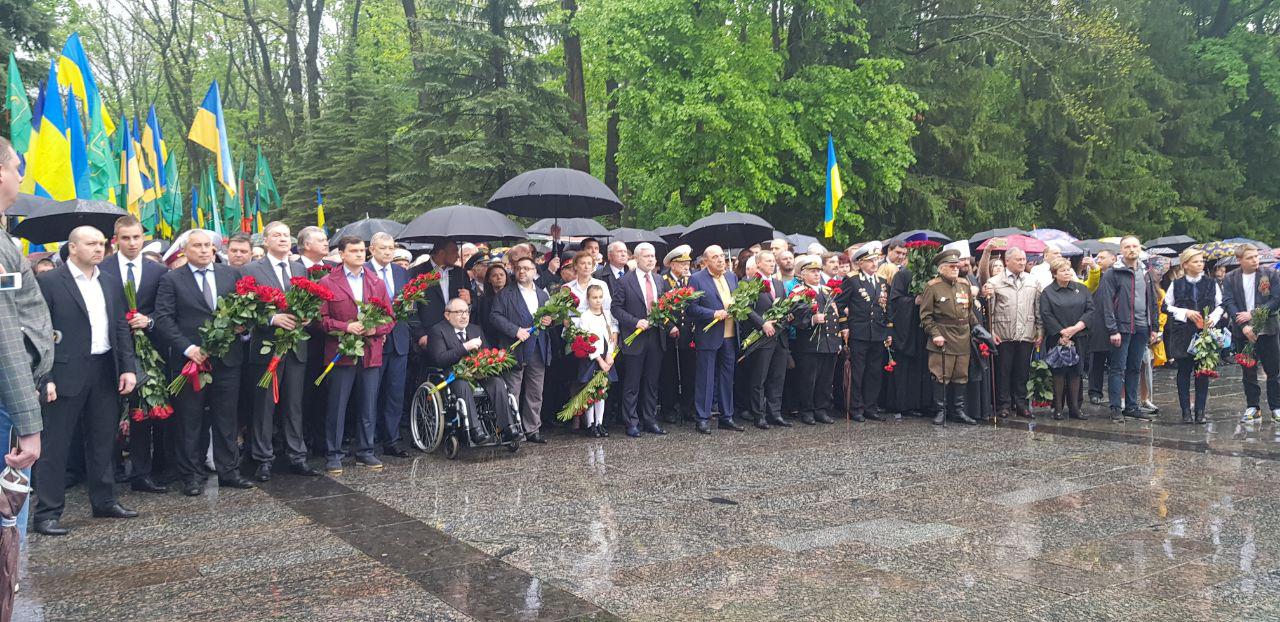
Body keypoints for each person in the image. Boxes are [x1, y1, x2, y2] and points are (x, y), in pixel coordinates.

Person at [31, 226, 139, 536]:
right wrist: (45, 376)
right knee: (56, 445)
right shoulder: (50, 282)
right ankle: (48, 512)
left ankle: (104, 500)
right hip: (64, 372)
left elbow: (120, 326)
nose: (98, 249)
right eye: (91, 243)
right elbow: (39, 332)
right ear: (73, 247)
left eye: (102, 244)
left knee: (103, 440)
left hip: (105, 368)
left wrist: (127, 367)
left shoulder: (110, 280)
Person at [152, 229, 256, 496]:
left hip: (227, 358)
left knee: (226, 417)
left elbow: (244, 310)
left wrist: (243, 326)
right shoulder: (172, 279)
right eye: (197, 245)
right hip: (191, 360)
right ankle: (191, 475)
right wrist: (188, 349)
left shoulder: (230, 274)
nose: (203, 250)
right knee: (191, 419)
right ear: (185, 250)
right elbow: (164, 319)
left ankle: (229, 470)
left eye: (207, 245)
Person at [238, 222, 321, 480]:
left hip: (295, 347)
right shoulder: (250, 270)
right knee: (264, 406)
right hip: (267, 348)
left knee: (294, 405)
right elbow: (245, 310)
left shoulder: (299, 269)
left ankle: (297, 456)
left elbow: (308, 303)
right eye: (277, 235)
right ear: (265, 241)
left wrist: (308, 317)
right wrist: (272, 319)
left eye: (286, 235)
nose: (283, 239)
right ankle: (263, 458)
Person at [0, 137, 53, 540]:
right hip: (5, 404)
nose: (21, 177)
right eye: (16, 167)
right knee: (7, 524)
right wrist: (29, 426)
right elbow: (5, 336)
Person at [99, 215, 171, 493]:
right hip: (110, 351)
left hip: (147, 350)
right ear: (115, 240)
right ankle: (110, 471)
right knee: (107, 414)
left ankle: (142, 473)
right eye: (125, 238)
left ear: (143, 238)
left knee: (142, 413)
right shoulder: (102, 268)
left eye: (136, 237)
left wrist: (148, 321)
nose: (131, 243)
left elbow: (165, 311)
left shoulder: (158, 271)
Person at [318, 236, 393, 474]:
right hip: (341, 352)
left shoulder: (376, 282)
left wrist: (375, 329)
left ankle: (365, 451)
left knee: (368, 404)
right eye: (353, 251)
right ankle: (333, 454)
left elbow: (390, 318)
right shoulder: (328, 282)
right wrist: (345, 327)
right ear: (341, 254)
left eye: (362, 250)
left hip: (370, 352)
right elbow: (320, 320)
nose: (360, 254)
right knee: (337, 405)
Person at [426, 298, 517, 444]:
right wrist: (465, 347)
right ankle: (475, 430)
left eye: (466, 312)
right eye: (459, 312)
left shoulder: (475, 329)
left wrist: (494, 359)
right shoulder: (437, 330)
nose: (464, 316)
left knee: (497, 382)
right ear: (447, 315)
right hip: (453, 374)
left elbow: (486, 354)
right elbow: (440, 359)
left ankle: (508, 427)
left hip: (477, 372)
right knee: (463, 385)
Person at [488, 256, 553, 444]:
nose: (522, 271)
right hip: (514, 348)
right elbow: (495, 317)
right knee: (513, 391)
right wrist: (515, 330)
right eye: (518, 268)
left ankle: (532, 428)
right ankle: (513, 429)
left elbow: (549, 318)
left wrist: (549, 320)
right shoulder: (505, 294)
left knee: (535, 391)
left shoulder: (543, 295)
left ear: (535, 271)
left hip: (538, 348)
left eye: (526, 268)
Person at [1099, 235, 1160, 422]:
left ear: (1140, 248)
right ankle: (1116, 407)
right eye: (1127, 247)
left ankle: (1132, 406)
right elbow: (1106, 303)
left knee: (1134, 367)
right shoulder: (1113, 273)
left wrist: (1154, 327)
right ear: (1121, 250)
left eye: (1135, 246)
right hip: (1122, 327)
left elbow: (1153, 301)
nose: (1132, 249)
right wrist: (1112, 329)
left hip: (1142, 327)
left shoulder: (1146, 272)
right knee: (1118, 368)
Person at [611, 243, 669, 437]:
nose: (651, 259)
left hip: (656, 336)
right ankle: (631, 422)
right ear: (635, 259)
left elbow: (665, 305)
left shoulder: (659, 280)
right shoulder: (624, 281)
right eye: (646, 256)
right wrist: (635, 322)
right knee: (632, 383)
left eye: (653, 256)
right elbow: (616, 309)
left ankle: (650, 419)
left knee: (652, 382)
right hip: (635, 337)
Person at [687, 245, 745, 434]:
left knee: (727, 378)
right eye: (715, 257)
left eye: (722, 256)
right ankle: (703, 418)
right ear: (706, 261)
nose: (720, 260)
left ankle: (727, 416)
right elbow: (691, 308)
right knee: (705, 378)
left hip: (730, 335)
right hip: (709, 335)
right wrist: (713, 314)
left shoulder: (731, 277)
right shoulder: (696, 279)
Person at [1221, 243, 1280, 423]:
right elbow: (1229, 302)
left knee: (1273, 370)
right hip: (1243, 332)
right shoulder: (1230, 278)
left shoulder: (1270, 274)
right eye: (1250, 257)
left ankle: (1276, 407)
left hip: (1268, 330)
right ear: (1239, 260)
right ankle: (1253, 407)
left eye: (1256, 256)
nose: (1255, 260)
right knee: (1248, 370)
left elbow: (1275, 300)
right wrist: (1244, 326)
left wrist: (1253, 314)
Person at [919, 250, 979, 426]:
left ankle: (958, 410)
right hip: (943, 335)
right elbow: (926, 316)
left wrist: (978, 329)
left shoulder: (964, 285)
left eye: (956, 266)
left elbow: (969, 312)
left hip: (963, 336)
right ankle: (941, 410)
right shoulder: (933, 286)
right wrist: (935, 334)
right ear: (941, 268)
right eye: (951, 267)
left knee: (961, 375)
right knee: (940, 375)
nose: (955, 269)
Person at [1163, 248, 1222, 424]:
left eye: (1201, 261)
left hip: (1205, 332)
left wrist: (1213, 317)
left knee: (1202, 372)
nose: (1200, 264)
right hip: (1183, 333)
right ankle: (1185, 411)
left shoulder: (1211, 283)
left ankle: (1200, 411)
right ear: (1185, 264)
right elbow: (1166, 306)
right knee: (1184, 371)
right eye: (1196, 261)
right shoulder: (1177, 284)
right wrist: (1185, 312)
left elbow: (1221, 304)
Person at [367, 232, 412, 457]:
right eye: (383, 248)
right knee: (371, 393)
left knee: (395, 393)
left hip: (399, 340)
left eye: (391, 248)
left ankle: (391, 440)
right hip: (374, 340)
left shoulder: (401, 272)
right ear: (372, 249)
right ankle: (368, 441)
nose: (388, 252)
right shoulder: (363, 271)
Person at [985, 246, 1042, 419]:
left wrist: (1040, 330)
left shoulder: (1033, 281)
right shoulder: (995, 282)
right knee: (1003, 371)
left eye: (1023, 259)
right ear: (1007, 261)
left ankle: (1021, 404)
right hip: (1003, 332)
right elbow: (990, 311)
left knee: (1022, 371)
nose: (1022, 262)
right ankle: (1003, 405)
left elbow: (1038, 308)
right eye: (1018, 259)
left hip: (1026, 331)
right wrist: (991, 331)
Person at [1039, 258, 1093, 421]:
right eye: (1063, 270)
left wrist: (1076, 328)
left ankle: (1075, 408)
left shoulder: (1081, 289)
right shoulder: (1048, 292)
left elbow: (1090, 310)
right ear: (1054, 274)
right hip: (1058, 337)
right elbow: (1046, 314)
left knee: (1076, 372)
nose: (1067, 272)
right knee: (1059, 372)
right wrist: (1062, 332)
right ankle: (1058, 408)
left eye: (1069, 269)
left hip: (1079, 336)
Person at [790, 255, 841, 425]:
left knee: (825, 380)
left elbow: (835, 316)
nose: (817, 274)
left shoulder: (827, 290)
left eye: (818, 271)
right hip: (809, 344)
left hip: (829, 342)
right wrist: (811, 319)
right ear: (803, 274)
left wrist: (837, 341)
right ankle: (807, 410)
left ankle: (821, 409)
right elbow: (794, 317)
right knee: (808, 379)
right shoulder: (799, 292)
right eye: (812, 271)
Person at [742, 250, 790, 428]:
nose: (772, 264)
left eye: (773, 261)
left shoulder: (778, 283)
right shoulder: (750, 283)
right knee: (759, 378)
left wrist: (788, 315)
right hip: (762, 337)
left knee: (777, 376)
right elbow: (746, 307)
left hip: (780, 336)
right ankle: (759, 414)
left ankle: (774, 413)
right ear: (758, 264)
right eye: (768, 261)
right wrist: (762, 323)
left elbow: (784, 306)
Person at [844, 244, 892, 422]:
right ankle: (856, 408)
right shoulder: (852, 280)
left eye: (876, 260)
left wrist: (888, 330)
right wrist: (844, 326)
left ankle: (871, 407)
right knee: (858, 372)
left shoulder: (882, 281)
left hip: (877, 332)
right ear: (860, 263)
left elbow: (887, 307)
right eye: (870, 261)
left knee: (874, 372)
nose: (874, 263)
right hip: (859, 332)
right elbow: (840, 305)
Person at [407, 241, 473, 348]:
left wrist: (470, 300)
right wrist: (420, 335)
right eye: (454, 252)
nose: (457, 256)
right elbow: (410, 309)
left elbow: (473, 303)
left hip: (457, 334)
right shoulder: (416, 273)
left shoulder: (460, 273)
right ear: (441, 253)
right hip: (428, 336)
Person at [573, 284, 618, 436]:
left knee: (601, 391)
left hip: (605, 356)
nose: (598, 300)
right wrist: (599, 360)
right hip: (592, 357)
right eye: (594, 297)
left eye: (600, 297)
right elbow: (587, 341)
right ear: (588, 299)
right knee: (590, 391)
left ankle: (599, 422)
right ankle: (590, 423)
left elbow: (611, 337)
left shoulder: (606, 314)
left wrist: (610, 354)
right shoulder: (585, 316)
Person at [659, 245, 695, 424]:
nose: (686, 266)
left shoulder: (690, 281)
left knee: (689, 372)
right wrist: (669, 326)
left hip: (688, 333)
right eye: (682, 263)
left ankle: (688, 407)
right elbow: (658, 307)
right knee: (670, 373)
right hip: (670, 334)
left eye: (688, 263)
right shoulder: (663, 281)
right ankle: (669, 409)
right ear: (672, 265)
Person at [1085, 250, 1117, 404]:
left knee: (1116, 362)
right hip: (1097, 321)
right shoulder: (1095, 275)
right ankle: (1095, 391)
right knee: (1097, 359)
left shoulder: (1118, 275)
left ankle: (1116, 393)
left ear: (1113, 259)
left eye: (1103, 257)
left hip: (1116, 321)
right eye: (1098, 257)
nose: (1099, 260)